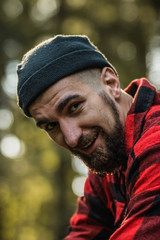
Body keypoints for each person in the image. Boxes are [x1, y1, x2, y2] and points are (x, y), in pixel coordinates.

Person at [17, 35, 160, 240]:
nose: (72, 138)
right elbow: (84, 233)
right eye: (51, 126)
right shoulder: (109, 157)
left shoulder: (155, 142)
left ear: (111, 83)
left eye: (74, 107)